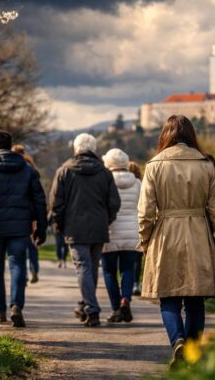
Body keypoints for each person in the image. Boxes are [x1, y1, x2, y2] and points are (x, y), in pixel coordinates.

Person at [137, 115, 215, 367]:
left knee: (168, 296)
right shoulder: (206, 166)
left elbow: (145, 211)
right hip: (199, 234)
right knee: (195, 298)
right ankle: (191, 350)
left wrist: (145, 241)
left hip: (165, 234)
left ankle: (177, 340)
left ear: (164, 136)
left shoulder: (154, 166)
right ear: (191, 135)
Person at [50, 133, 121, 327]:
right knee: (90, 266)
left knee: (83, 267)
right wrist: (106, 220)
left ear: (75, 149)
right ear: (94, 149)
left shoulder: (64, 171)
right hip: (98, 227)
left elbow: (56, 203)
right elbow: (114, 202)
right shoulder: (104, 173)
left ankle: (91, 308)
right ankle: (85, 304)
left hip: (75, 227)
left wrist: (60, 225)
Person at [0, 131, 47, 327]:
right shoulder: (27, 168)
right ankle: (16, 305)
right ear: (10, 146)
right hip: (20, 227)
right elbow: (39, 199)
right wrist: (41, 228)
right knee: (17, 265)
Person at [100, 148, 141, 323]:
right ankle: (126, 298)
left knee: (109, 271)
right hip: (132, 232)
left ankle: (116, 308)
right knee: (127, 269)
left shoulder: (103, 181)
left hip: (110, 231)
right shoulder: (138, 183)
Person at [11, 144, 41, 284]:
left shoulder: (11, 166)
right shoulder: (31, 167)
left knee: (19, 249)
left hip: (17, 212)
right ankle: (34, 268)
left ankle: (22, 275)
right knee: (32, 245)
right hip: (31, 214)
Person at [128, 161, 144, 295]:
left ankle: (126, 281)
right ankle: (136, 283)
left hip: (120, 226)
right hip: (136, 224)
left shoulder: (115, 183)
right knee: (137, 258)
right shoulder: (140, 184)